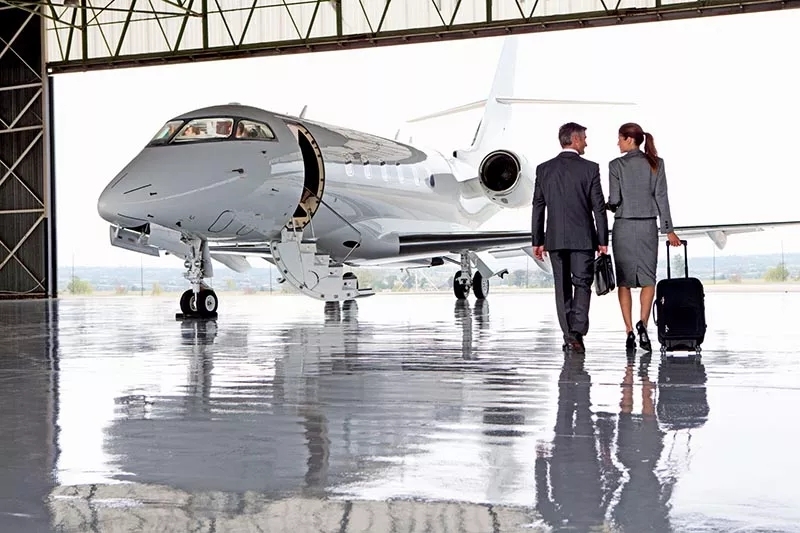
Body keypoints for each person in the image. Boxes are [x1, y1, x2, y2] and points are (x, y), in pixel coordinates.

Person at [532, 122, 609, 354]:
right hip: (583, 238)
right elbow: (599, 208)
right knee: (582, 284)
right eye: (584, 138)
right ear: (574, 140)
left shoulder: (544, 169)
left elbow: (538, 206)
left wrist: (538, 239)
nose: (586, 142)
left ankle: (569, 335)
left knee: (562, 287)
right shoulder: (590, 169)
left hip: (554, 239)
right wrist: (603, 240)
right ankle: (576, 332)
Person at [606, 123, 681, 352]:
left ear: (629, 139)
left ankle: (629, 330)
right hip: (648, 225)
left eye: (619, 138)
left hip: (624, 226)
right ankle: (643, 324)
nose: (617, 142)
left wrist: (605, 205)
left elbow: (615, 199)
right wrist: (668, 229)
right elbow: (662, 197)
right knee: (649, 279)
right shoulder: (657, 163)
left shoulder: (615, 165)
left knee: (625, 281)